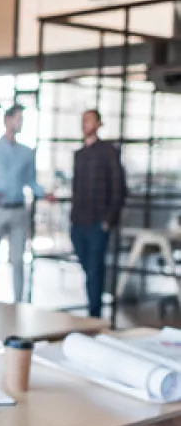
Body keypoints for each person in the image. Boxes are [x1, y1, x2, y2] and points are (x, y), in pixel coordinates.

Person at [0, 104, 55, 303]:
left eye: (22, 120)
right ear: (7, 120)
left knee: (18, 261)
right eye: (17, 119)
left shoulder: (27, 153)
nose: (20, 123)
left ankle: (19, 302)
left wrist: (44, 194)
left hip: (18, 211)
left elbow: (31, 181)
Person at [71, 109, 125, 318]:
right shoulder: (79, 154)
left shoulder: (108, 151)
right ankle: (93, 312)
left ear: (99, 124)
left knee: (95, 270)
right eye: (83, 120)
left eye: (90, 120)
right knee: (89, 269)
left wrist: (107, 220)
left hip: (98, 222)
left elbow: (119, 187)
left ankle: (94, 317)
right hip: (79, 222)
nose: (85, 123)